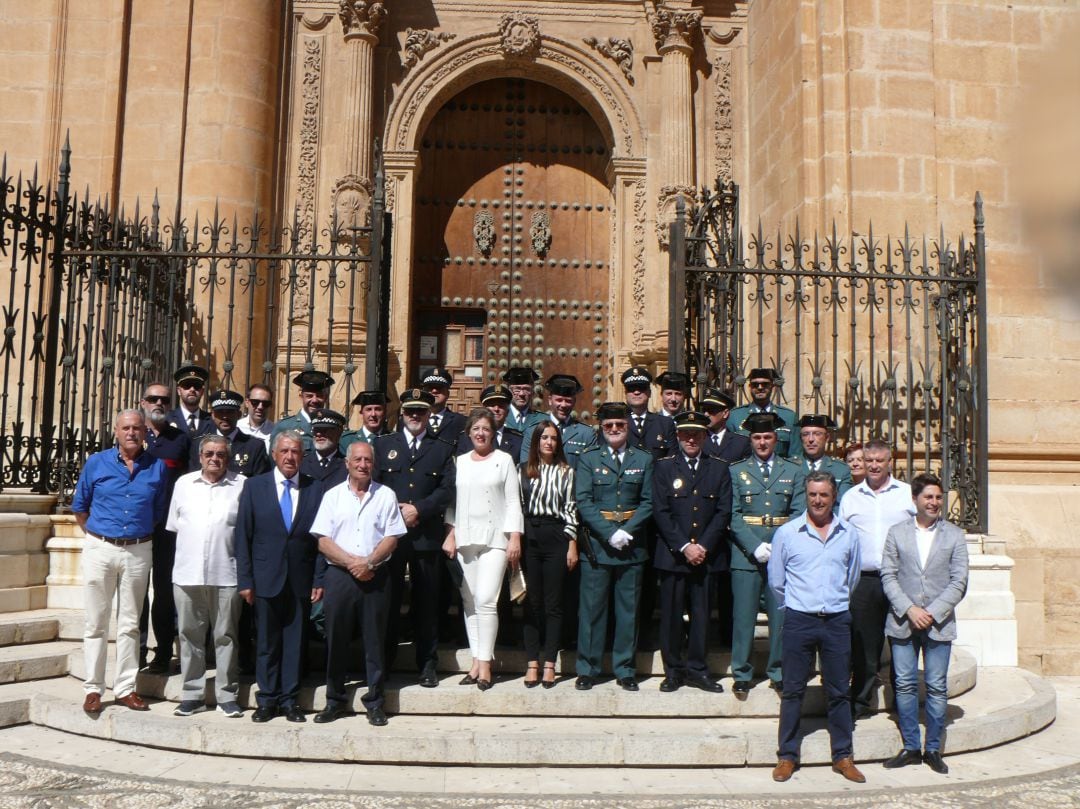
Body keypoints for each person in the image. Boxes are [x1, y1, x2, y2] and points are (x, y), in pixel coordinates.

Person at [768, 471, 865, 784]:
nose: (818, 500)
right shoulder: (787, 534)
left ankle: (842, 756)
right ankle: (787, 756)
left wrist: (834, 602)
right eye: (813, 495)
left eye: (824, 495)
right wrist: (799, 605)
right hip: (799, 619)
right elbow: (777, 582)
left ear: (833, 496)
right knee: (793, 690)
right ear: (805, 496)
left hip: (836, 620)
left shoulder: (848, 534)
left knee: (838, 690)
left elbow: (852, 579)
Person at [71, 409, 168, 714]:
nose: (131, 433)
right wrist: (100, 537)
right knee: (96, 622)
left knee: (130, 623)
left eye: (137, 428)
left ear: (145, 432)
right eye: (126, 428)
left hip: (138, 550)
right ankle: (93, 689)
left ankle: (125, 688)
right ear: (115, 431)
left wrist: (133, 537)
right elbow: (80, 507)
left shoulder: (158, 468)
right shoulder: (97, 462)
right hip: (100, 547)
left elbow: (159, 512)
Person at [311, 441, 408, 727]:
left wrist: (369, 563)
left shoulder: (386, 495)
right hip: (339, 576)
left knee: (375, 641)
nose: (363, 464)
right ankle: (335, 700)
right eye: (358, 459)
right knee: (336, 638)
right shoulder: (332, 496)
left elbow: (392, 537)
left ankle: (375, 702)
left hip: (376, 575)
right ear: (347, 463)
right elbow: (322, 540)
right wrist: (352, 563)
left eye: (368, 460)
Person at [881, 472, 969, 774]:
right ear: (915, 499)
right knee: (904, 685)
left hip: (939, 623)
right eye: (928, 497)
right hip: (902, 622)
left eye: (938, 497)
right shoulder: (897, 533)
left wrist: (931, 611)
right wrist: (909, 609)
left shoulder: (955, 535)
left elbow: (959, 581)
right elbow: (888, 575)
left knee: (936, 685)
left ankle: (932, 748)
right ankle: (909, 746)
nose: (934, 502)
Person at [234, 430, 325, 723]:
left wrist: (319, 579)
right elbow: (242, 536)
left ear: (302, 456)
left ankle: (290, 701)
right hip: (264, 578)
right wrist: (245, 581)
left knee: (295, 643)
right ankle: (267, 699)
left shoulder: (315, 488)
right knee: (266, 643)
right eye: (284, 451)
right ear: (274, 454)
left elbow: (322, 538)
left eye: (296, 452)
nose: (289, 457)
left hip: (300, 579)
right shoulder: (254, 486)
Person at [373, 389, 456, 686]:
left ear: (429, 414)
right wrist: (396, 511)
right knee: (389, 602)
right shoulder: (384, 445)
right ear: (402, 413)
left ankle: (427, 664)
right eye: (410, 411)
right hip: (391, 539)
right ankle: (385, 662)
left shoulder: (442, 448)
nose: (415, 416)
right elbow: (375, 486)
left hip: (426, 537)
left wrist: (419, 509)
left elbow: (447, 490)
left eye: (421, 411)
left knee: (427, 604)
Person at [574, 402, 654, 691]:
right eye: (609, 426)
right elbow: (583, 500)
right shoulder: (588, 458)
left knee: (628, 611)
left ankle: (625, 668)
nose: (614, 430)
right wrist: (609, 533)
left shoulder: (643, 459)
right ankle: (588, 668)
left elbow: (648, 502)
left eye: (619, 425)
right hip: (598, 545)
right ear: (601, 428)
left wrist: (626, 531)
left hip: (632, 545)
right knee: (592, 611)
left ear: (628, 426)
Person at [443, 408, 524, 689]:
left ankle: (486, 665)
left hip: (495, 539)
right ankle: (476, 662)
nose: (480, 433)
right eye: (476, 429)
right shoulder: (460, 462)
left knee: (486, 600)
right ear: (468, 433)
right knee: (469, 601)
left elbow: (514, 502)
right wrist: (450, 533)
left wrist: (515, 537)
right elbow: (452, 501)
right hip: (465, 538)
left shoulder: (504, 460)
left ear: (493, 433)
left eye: (486, 429)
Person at [651, 411, 732, 692]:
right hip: (674, 555)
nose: (691, 439)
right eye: (685, 433)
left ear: (705, 436)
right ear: (677, 436)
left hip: (707, 556)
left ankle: (698, 669)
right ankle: (673, 670)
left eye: (696, 433)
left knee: (702, 616)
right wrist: (685, 546)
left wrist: (703, 546)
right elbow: (660, 511)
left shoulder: (719, 468)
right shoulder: (663, 468)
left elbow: (723, 512)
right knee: (671, 616)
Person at [166, 434, 246, 718]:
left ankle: (227, 695)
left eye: (221, 454)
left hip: (227, 573)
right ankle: (192, 694)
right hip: (187, 573)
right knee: (189, 636)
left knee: (226, 636)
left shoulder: (241, 485)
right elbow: (176, 525)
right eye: (209, 453)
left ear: (228, 457)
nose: (215, 458)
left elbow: (245, 532)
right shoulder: (183, 485)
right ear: (200, 456)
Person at [728, 412, 807, 694]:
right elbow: (733, 514)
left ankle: (778, 670)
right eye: (757, 437)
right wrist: (754, 545)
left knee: (780, 617)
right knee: (744, 616)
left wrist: (777, 547)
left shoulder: (793, 470)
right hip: (746, 553)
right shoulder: (736, 471)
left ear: (776, 439)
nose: (762, 442)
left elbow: (798, 512)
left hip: (781, 552)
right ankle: (741, 672)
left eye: (767, 437)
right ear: (750, 440)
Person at [838, 438, 916, 719]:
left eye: (879, 461)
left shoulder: (907, 494)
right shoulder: (850, 497)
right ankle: (860, 701)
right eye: (868, 460)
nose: (872, 465)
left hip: (901, 580)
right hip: (865, 580)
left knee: (902, 642)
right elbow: (842, 540)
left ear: (889, 463)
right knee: (863, 644)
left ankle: (903, 701)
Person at [519, 422, 579, 688]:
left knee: (553, 604)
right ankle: (532, 661)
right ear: (536, 441)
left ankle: (550, 663)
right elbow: (516, 506)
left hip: (556, 536)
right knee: (531, 601)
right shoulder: (523, 471)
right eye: (544, 437)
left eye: (554, 438)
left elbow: (570, 509)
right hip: (529, 535)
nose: (549, 442)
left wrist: (572, 543)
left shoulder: (567, 472)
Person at [139, 382, 191, 674]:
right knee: (135, 592)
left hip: (167, 530)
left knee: (163, 592)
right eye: (153, 399)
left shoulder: (180, 439)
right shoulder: (133, 435)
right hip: (136, 527)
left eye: (164, 399)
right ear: (143, 402)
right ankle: (137, 651)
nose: (158, 403)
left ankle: (162, 652)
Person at [519, 374, 597, 470]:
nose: (563, 405)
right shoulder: (533, 430)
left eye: (568, 401)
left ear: (574, 402)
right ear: (550, 400)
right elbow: (526, 467)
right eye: (559, 400)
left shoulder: (586, 434)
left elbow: (591, 471)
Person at [192, 389, 271, 477]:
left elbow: (260, 482)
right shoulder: (199, 444)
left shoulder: (255, 447)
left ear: (239, 414)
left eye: (230, 412)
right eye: (220, 412)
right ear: (213, 415)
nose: (225, 417)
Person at [726, 368, 802, 457]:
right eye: (755, 384)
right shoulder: (735, 416)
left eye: (765, 384)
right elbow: (730, 454)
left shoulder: (789, 417)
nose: (760, 387)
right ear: (750, 387)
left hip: (779, 470)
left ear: (772, 386)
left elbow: (796, 455)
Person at [271, 370, 334, 453]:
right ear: (301, 396)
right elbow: (274, 459)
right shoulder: (285, 427)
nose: (314, 400)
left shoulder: (332, 427)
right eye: (309, 396)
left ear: (325, 398)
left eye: (319, 396)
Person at [622, 366, 677, 459]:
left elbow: (672, 461)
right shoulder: (614, 424)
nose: (636, 392)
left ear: (650, 392)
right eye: (631, 388)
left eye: (641, 388)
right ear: (625, 393)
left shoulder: (665, 424)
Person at [457, 384, 523, 459]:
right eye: (492, 405)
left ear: (507, 411)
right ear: (484, 409)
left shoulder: (517, 439)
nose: (496, 409)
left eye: (501, 405)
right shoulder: (467, 438)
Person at [797, 415, 852, 501]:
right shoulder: (789, 468)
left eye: (817, 434)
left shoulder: (841, 470)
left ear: (827, 438)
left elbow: (842, 505)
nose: (811, 439)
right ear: (801, 438)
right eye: (805, 434)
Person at [701, 387, 751, 463]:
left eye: (711, 410)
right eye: (704, 410)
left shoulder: (741, 443)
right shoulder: (697, 440)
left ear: (725, 413)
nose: (706, 414)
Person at [300, 408, 348, 486]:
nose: (319, 434)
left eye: (324, 430)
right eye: (316, 430)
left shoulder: (347, 466)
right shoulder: (301, 464)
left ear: (338, 433)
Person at [420, 367, 467, 441]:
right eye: (430, 387)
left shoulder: (461, 421)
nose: (434, 391)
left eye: (439, 387)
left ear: (448, 394)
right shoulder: (413, 419)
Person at [166, 364, 210, 435]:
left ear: (202, 391)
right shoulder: (167, 419)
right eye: (187, 385)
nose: (192, 389)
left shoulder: (211, 420)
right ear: (179, 391)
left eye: (196, 386)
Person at [237, 383, 275, 449]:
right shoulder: (237, 427)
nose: (260, 407)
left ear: (271, 405)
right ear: (247, 403)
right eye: (255, 402)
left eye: (265, 403)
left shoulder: (275, 431)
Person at [503, 366, 539, 431]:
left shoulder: (542, 420)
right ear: (509, 391)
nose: (521, 394)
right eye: (517, 389)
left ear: (532, 392)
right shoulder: (500, 417)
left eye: (526, 389)